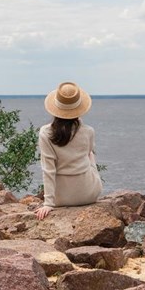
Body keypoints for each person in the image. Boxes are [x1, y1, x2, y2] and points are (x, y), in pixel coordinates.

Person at [35, 82, 103, 220]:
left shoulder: (45, 133)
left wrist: (48, 203)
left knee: (52, 165)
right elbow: (89, 152)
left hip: (61, 198)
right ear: (80, 108)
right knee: (90, 155)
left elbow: (48, 170)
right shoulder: (88, 131)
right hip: (88, 194)